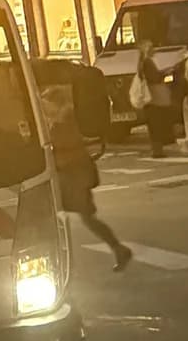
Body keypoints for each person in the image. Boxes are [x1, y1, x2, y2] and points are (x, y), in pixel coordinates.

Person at [40, 81, 131, 271]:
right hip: (71, 176)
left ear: (56, 104)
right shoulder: (62, 121)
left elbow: (65, 148)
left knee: (81, 217)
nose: (44, 109)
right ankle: (117, 248)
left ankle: (117, 248)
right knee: (80, 217)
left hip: (73, 176)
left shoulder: (64, 122)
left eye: (47, 104)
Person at [136, 44, 174, 159]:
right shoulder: (147, 62)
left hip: (150, 98)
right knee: (156, 124)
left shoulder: (143, 63)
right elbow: (154, 78)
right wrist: (166, 73)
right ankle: (157, 151)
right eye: (151, 48)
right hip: (153, 98)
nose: (154, 50)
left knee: (153, 125)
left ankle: (157, 149)